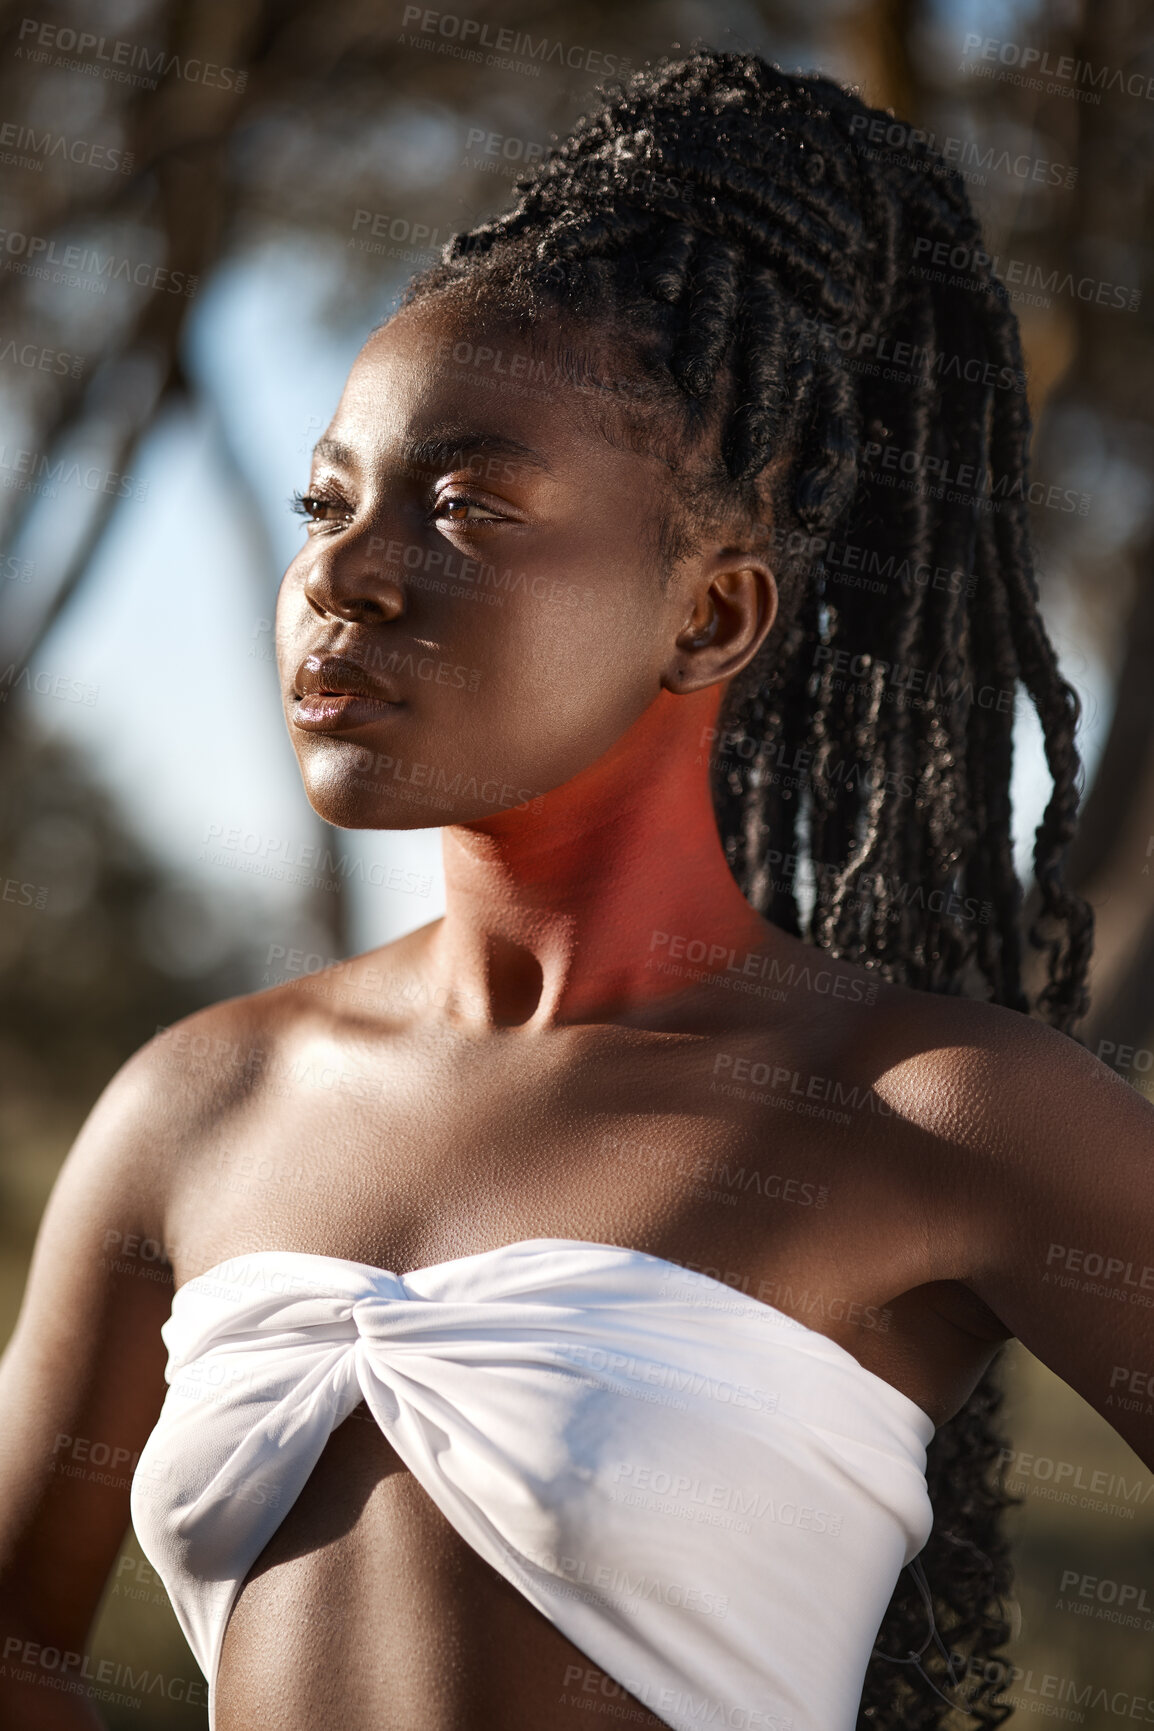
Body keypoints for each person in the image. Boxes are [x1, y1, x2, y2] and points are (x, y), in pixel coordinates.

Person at [0, 48, 1150, 1731]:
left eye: (465, 507)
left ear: (711, 617)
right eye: (330, 500)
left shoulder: (932, 1109)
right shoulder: (202, 1099)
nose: (346, 574)